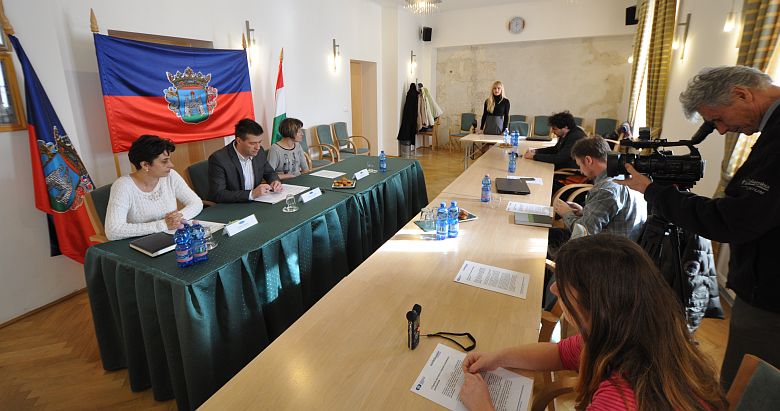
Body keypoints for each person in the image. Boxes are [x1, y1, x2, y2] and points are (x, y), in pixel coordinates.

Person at [619, 65, 780, 390]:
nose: (721, 130)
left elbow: (735, 219)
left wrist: (655, 192)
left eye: (717, 118)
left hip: (770, 299)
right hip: (765, 288)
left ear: (742, 94)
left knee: (746, 390)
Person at [460, 234, 727, 411]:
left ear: (597, 306)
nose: (553, 290)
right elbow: (559, 353)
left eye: (564, 286)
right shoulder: (633, 334)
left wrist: (483, 407)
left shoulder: (620, 400)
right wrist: (498, 357)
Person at [550, 136, 647, 250]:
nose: (580, 170)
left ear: (588, 160)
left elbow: (583, 234)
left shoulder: (605, 190)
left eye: (579, 165)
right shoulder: (628, 178)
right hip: (625, 246)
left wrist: (566, 213)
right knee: (553, 234)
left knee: (546, 238)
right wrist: (583, 212)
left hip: (605, 252)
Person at [104, 135, 203, 241]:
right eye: (164, 161)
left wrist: (178, 217)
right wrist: (163, 224)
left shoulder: (170, 175)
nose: (171, 165)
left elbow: (196, 203)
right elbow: (113, 231)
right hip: (141, 243)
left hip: (173, 238)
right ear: (145, 165)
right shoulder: (123, 186)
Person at [208, 118, 282, 203]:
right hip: (232, 206)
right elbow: (218, 194)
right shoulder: (219, 159)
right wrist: (251, 194)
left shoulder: (259, 152)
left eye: (259, 142)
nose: (258, 147)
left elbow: (270, 173)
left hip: (255, 202)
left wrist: (274, 181)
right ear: (239, 140)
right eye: (253, 143)